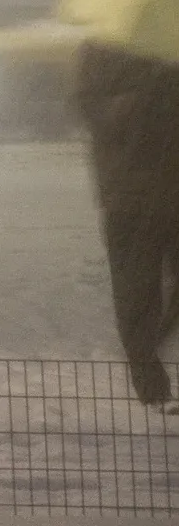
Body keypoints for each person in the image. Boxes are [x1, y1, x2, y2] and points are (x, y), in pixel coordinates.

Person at [72, 32, 179, 408]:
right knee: (135, 293)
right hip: (129, 200)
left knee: (145, 299)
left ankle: (154, 344)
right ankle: (152, 387)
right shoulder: (103, 48)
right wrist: (132, 103)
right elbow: (91, 110)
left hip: (168, 194)